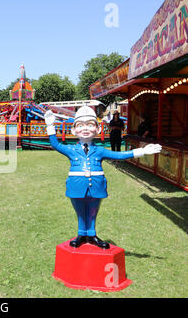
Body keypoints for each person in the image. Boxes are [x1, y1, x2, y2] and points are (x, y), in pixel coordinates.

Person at [45, 106, 161, 249]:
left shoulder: (99, 150)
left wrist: (142, 151)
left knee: (93, 211)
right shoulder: (71, 150)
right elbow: (55, 144)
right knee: (80, 211)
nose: (85, 128)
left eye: (90, 125)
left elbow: (119, 155)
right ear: (73, 130)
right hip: (76, 185)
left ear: (98, 130)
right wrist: (50, 125)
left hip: (97, 185)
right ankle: (81, 234)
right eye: (80, 125)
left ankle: (92, 234)